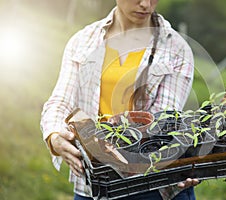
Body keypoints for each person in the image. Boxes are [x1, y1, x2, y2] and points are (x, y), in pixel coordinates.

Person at [40, 0, 198, 199]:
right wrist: (54, 136)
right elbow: (60, 101)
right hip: (92, 187)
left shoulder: (176, 50)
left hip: (150, 188)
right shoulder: (83, 41)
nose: (146, 5)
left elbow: (161, 123)